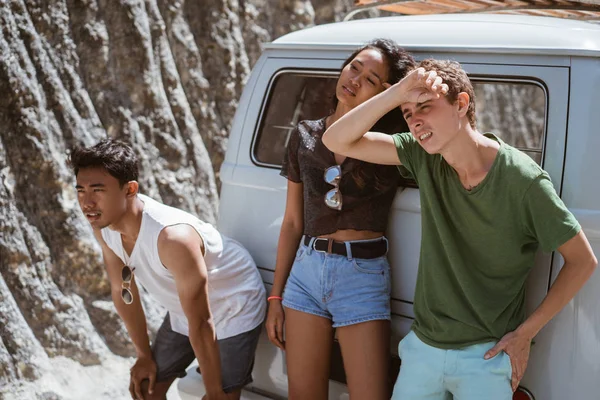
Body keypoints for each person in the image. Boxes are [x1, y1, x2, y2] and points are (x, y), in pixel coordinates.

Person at [322, 59, 597, 400]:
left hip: (486, 357)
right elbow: (336, 139)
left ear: (462, 104)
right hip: (422, 349)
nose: (416, 120)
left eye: (425, 107)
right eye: (408, 113)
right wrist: (397, 92)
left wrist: (526, 334)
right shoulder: (422, 155)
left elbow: (583, 261)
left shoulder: (523, 181)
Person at [265, 39, 415, 400]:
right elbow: (291, 223)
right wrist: (276, 297)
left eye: (371, 78)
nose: (356, 79)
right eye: (354, 67)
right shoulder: (304, 135)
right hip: (306, 273)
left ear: (386, 92)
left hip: (360, 274)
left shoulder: (391, 143)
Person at [69, 139, 266, 400]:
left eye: (97, 190)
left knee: (220, 398)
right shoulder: (105, 228)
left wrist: (215, 390)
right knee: (144, 390)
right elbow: (123, 289)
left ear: (129, 190)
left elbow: (202, 321)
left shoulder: (173, 239)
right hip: (185, 309)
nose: (87, 202)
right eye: (81, 190)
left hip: (233, 302)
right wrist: (143, 355)